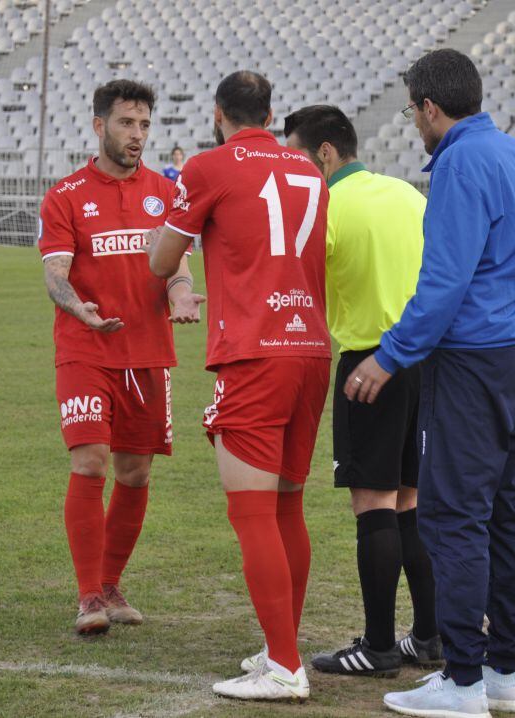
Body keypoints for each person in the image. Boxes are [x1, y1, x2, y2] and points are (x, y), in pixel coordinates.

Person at [344, 49, 515, 717]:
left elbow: (445, 280)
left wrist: (389, 356)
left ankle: (464, 679)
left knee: (453, 518)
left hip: (472, 361)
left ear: (430, 107)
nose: (414, 123)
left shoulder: (460, 164)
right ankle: (506, 671)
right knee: (505, 514)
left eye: (413, 111)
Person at [145, 70, 331, 702]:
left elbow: (162, 260)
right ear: (272, 115)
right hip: (310, 347)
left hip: (255, 350)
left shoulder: (208, 167)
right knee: (286, 506)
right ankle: (283, 649)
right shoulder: (308, 169)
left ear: (217, 113)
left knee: (251, 511)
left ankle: (284, 666)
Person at [37, 79, 205, 636]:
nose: (137, 135)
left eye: (144, 125)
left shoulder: (166, 191)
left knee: (135, 471)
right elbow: (55, 274)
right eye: (126, 123)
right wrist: (78, 308)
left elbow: (177, 265)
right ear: (99, 125)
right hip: (85, 349)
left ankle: (110, 584)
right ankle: (88, 596)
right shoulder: (65, 196)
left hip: (148, 352)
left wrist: (182, 294)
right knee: (90, 462)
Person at [283, 105, 440, 678]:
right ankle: (430, 636)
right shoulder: (406, 194)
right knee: (410, 502)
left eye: (297, 157)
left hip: (370, 363)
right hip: (426, 361)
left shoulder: (326, 206)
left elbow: (300, 286)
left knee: (373, 505)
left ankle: (377, 646)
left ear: (325, 153)